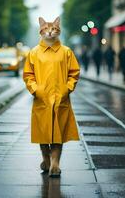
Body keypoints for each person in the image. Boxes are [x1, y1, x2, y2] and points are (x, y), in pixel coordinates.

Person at [23, 17, 80, 177]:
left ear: (58, 30)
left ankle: (55, 164)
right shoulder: (33, 53)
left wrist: (66, 89)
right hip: (41, 99)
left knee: (58, 133)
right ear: (40, 30)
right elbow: (28, 75)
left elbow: (74, 73)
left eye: (54, 29)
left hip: (60, 99)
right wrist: (35, 90)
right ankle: (46, 159)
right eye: (46, 29)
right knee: (43, 133)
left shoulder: (66, 52)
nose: (50, 31)